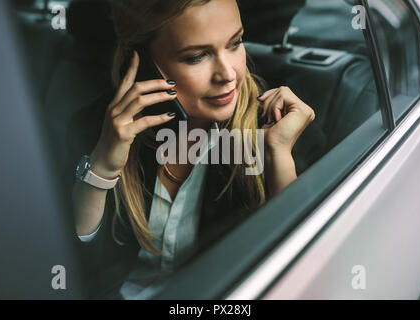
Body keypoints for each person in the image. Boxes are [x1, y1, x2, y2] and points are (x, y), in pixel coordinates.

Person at [67, 0, 315, 298]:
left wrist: (279, 156)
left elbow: (304, 262)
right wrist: (102, 169)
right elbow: (74, 271)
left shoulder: (272, 124)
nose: (228, 75)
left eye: (235, 43)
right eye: (197, 56)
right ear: (145, 64)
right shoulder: (96, 130)